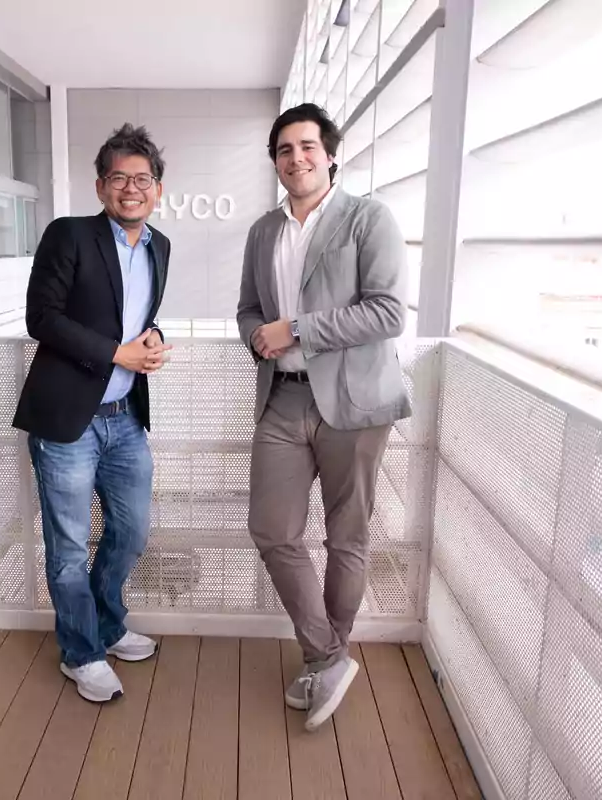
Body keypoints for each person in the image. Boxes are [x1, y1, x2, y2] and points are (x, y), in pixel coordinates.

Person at [236, 103, 410, 730]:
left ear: (330, 153)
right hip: (282, 398)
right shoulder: (263, 231)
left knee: (346, 536)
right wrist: (258, 336)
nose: (296, 158)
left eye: (307, 146)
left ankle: (322, 661)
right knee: (272, 529)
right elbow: (248, 310)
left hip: (355, 402)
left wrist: (298, 330)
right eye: (284, 150)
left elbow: (388, 312)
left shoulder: (369, 218)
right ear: (276, 161)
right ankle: (329, 656)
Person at [13, 123, 172, 703]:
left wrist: (150, 339)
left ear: (158, 188)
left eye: (142, 179)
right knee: (69, 548)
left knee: (130, 534)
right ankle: (80, 651)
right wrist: (114, 353)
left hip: (127, 416)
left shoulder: (160, 245)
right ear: (101, 185)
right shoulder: (70, 235)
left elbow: (134, 316)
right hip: (68, 422)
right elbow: (43, 318)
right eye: (119, 178)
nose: (131, 188)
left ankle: (107, 624)